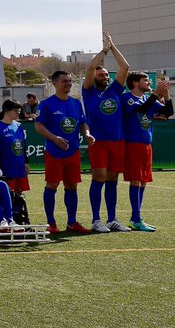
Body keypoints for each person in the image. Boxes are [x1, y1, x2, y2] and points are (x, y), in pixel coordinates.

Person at [34, 70, 94, 235]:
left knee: (72, 185)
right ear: (55, 84)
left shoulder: (75, 103)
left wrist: (87, 134)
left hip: (72, 152)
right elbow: (38, 126)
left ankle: (72, 222)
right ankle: (51, 223)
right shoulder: (46, 104)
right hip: (54, 152)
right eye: (64, 81)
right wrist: (54, 138)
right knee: (52, 184)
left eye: (70, 81)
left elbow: (83, 123)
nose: (68, 84)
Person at [81, 33, 130, 232]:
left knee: (113, 179)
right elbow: (91, 67)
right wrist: (103, 51)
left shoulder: (115, 91)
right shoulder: (89, 91)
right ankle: (96, 220)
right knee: (98, 177)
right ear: (94, 78)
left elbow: (125, 67)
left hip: (117, 141)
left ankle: (112, 219)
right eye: (101, 75)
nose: (105, 77)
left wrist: (113, 47)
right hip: (98, 142)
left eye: (107, 75)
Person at [121, 71, 170, 231]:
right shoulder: (127, 97)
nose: (149, 82)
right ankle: (135, 218)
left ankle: (137, 218)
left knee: (143, 181)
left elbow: (167, 112)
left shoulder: (146, 98)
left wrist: (166, 95)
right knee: (135, 180)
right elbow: (141, 109)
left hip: (146, 145)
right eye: (146, 80)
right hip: (133, 144)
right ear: (135, 83)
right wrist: (156, 94)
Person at [0, 100, 30, 199]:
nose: (18, 113)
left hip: (19, 168)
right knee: (8, 196)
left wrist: (26, 162)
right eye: (16, 110)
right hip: (7, 169)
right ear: (6, 111)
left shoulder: (18, 126)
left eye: (19, 110)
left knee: (19, 196)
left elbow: (23, 146)